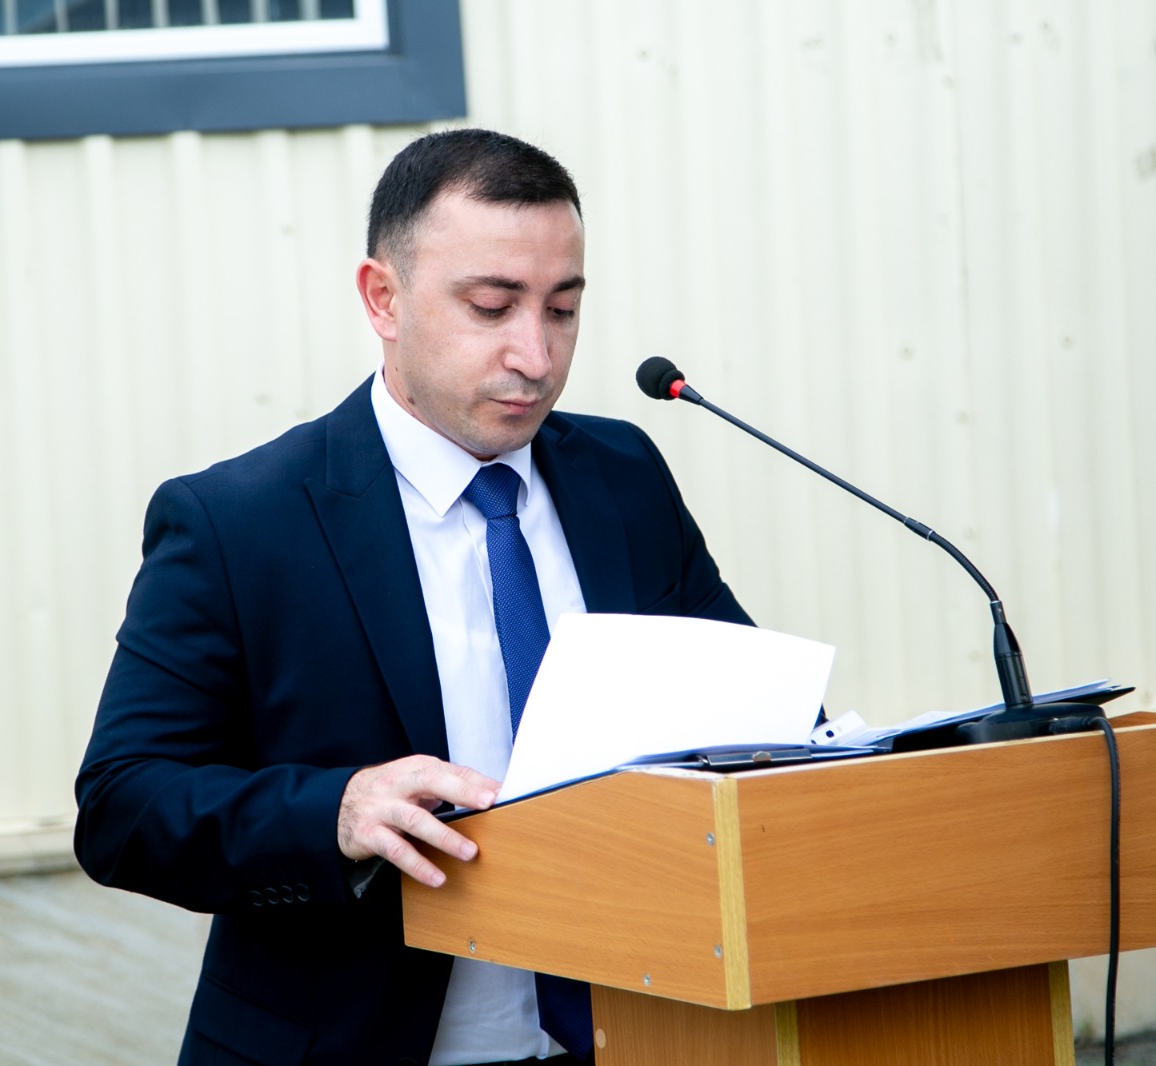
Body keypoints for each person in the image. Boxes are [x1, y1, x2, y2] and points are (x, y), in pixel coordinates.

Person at [75, 129, 752, 1065]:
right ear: (382, 299)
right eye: (492, 307)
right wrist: (335, 812)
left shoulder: (624, 474)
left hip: (636, 1033)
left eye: (563, 309)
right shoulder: (239, 521)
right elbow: (123, 805)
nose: (536, 355)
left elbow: (742, 715)